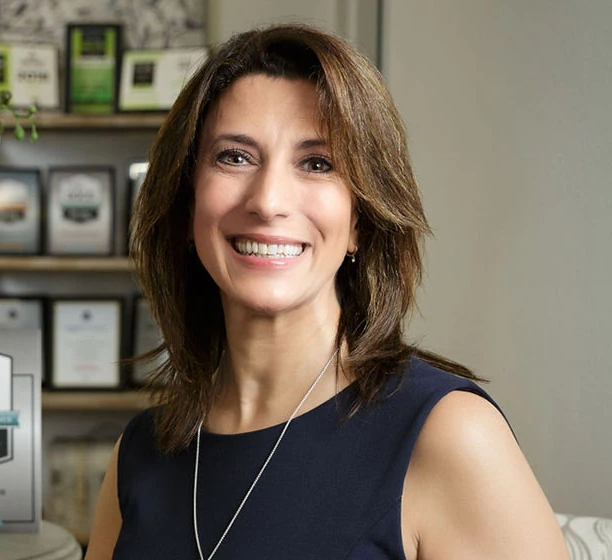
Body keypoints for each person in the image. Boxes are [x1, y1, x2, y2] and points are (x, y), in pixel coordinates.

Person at [86, 24, 568, 559]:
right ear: (185, 203)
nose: (268, 201)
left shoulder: (448, 434)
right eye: (234, 157)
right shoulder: (139, 453)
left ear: (361, 219)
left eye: (317, 163)